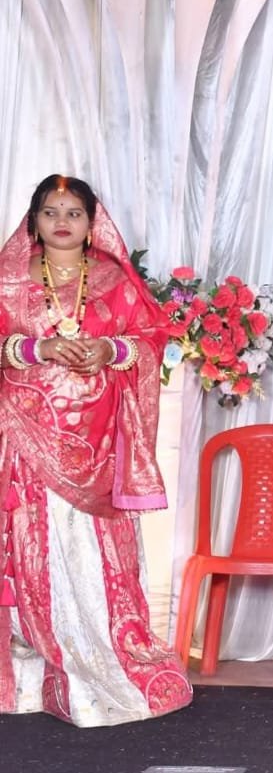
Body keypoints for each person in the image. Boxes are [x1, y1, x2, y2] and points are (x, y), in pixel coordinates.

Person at [0, 174, 192, 726]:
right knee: (30, 547)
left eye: (74, 213)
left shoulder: (113, 281)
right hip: (27, 437)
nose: (62, 221)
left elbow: (150, 339)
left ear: (91, 223)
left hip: (98, 443)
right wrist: (36, 347)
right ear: (33, 220)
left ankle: (98, 659)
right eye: (50, 211)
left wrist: (109, 349)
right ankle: (34, 669)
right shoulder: (9, 280)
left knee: (91, 551)